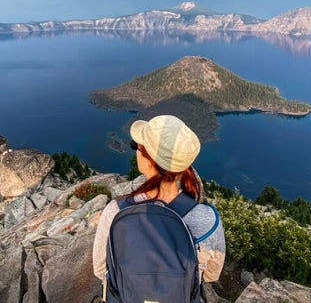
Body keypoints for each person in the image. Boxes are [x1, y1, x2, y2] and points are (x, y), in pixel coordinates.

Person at [92, 114, 226, 292]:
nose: (135, 151)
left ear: (148, 161)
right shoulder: (209, 221)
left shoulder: (117, 212)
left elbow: (101, 270)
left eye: (136, 147)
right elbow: (211, 276)